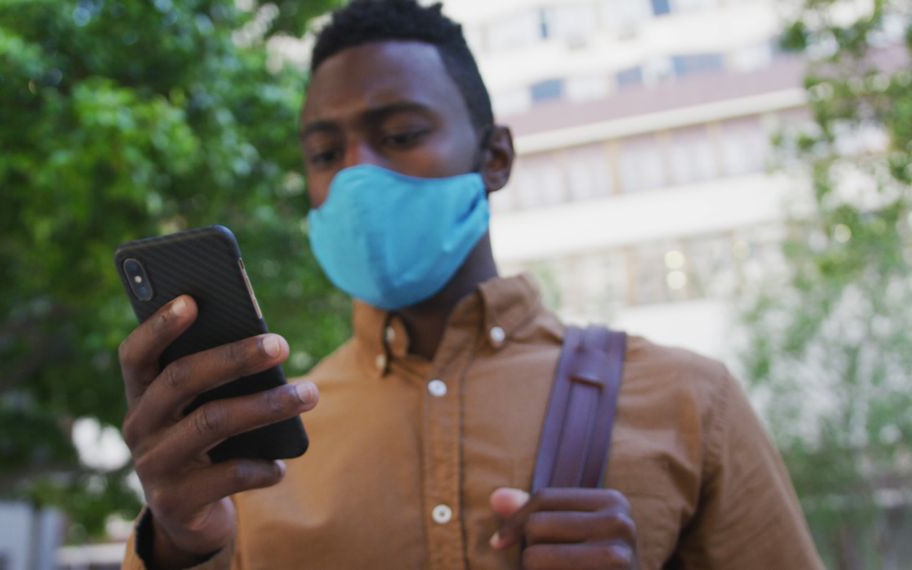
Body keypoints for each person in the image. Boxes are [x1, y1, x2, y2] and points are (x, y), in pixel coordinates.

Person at [118, 1, 823, 568]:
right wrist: (178, 547)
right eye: (326, 153)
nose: (356, 175)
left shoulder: (691, 402)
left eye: (399, 135)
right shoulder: (253, 454)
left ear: (495, 158)